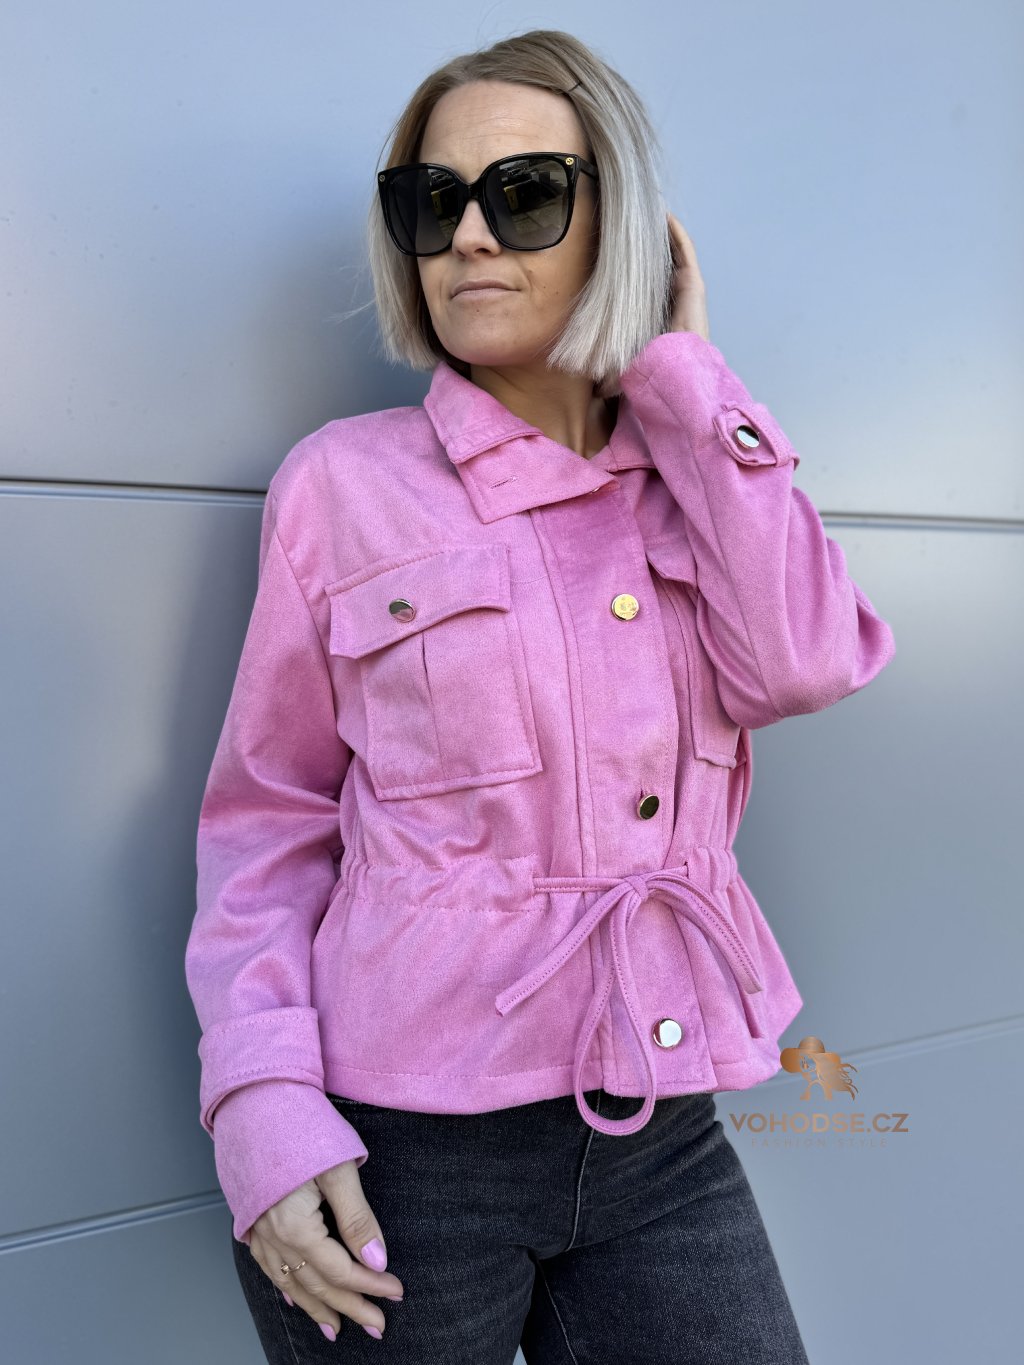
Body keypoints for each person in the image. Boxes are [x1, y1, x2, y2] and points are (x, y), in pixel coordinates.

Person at [185, 27, 895, 1362]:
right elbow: (264, 825)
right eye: (431, 200)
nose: (467, 234)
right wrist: (261, 1107)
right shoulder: (342, 487)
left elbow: (804, 660)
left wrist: (685, 380)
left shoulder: (697, 482)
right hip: (395, 1155)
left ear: (619, 225)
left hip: (659, 1129)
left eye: (523, 194)